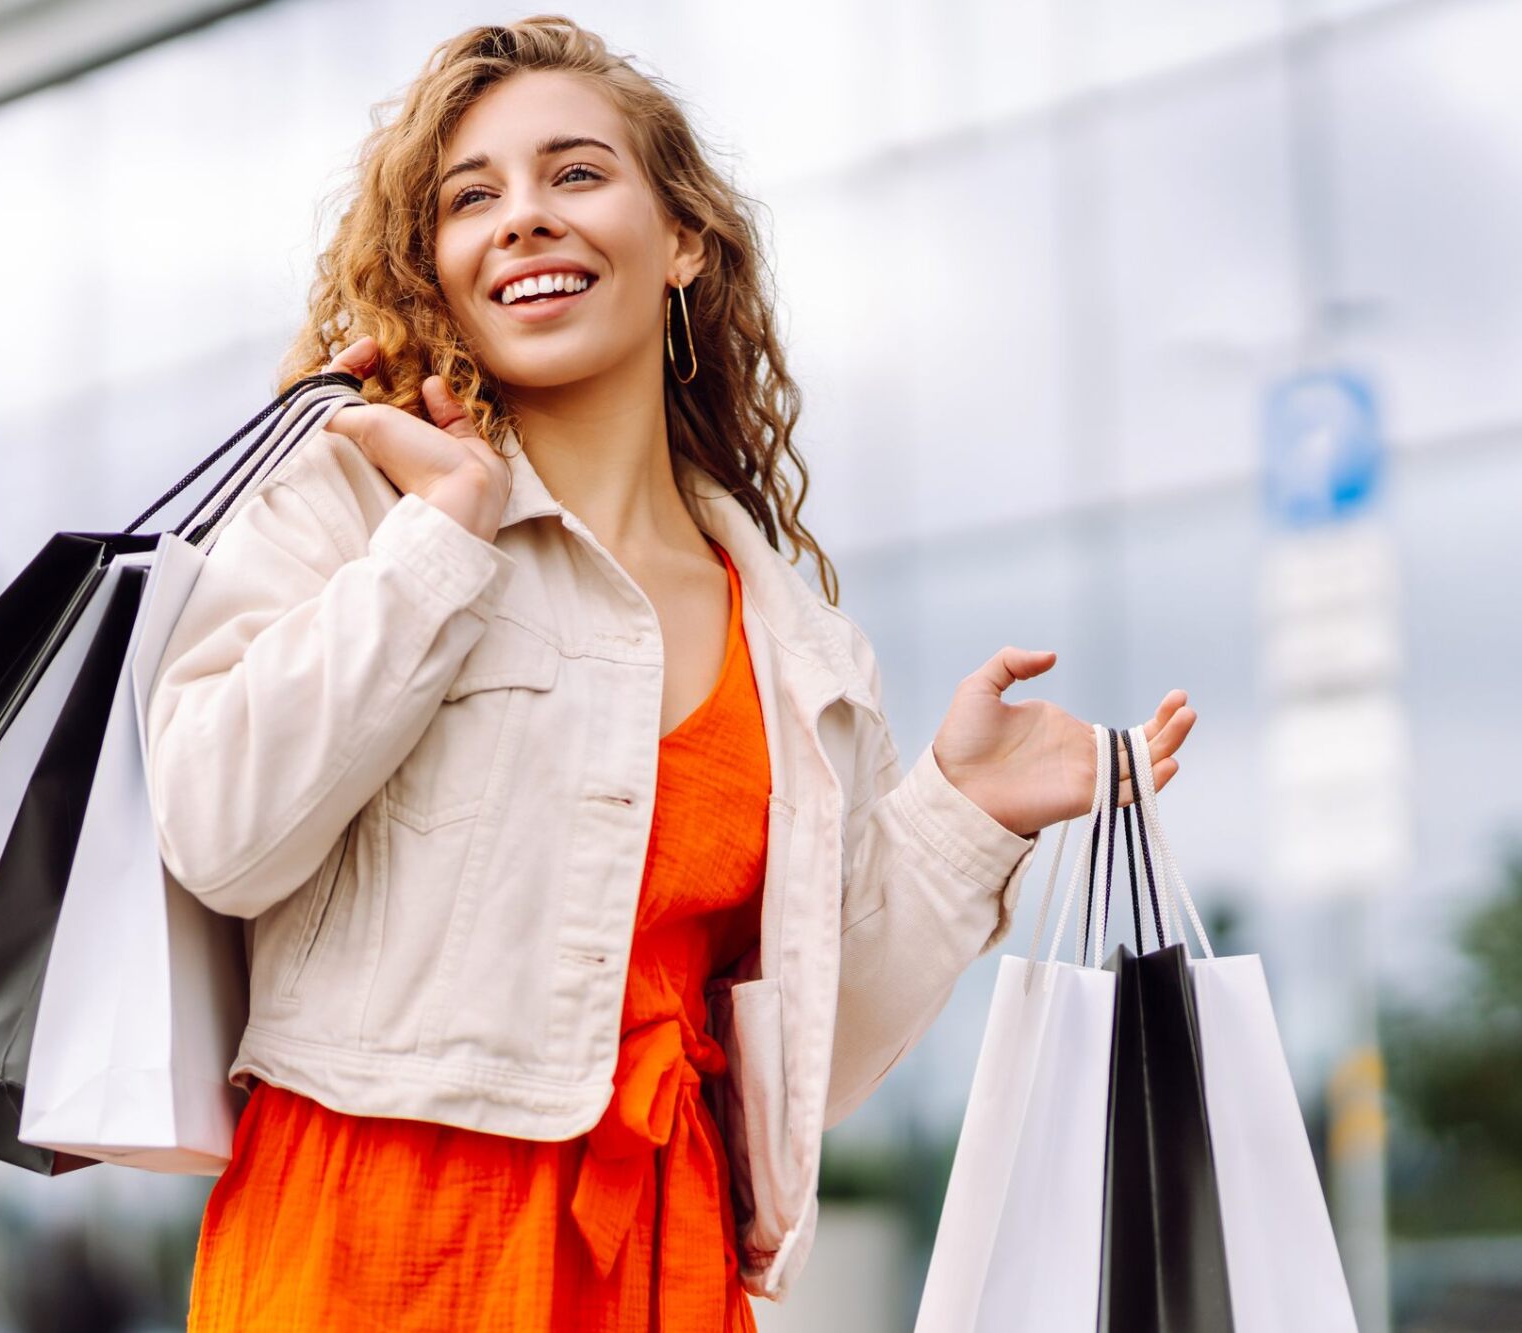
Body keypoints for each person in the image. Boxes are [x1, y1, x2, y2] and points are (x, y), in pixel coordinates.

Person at [145, 16, 1198, 1332]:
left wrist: (964, 810)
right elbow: (219, 832)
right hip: (372, 1251)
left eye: (576, 174)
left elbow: (813, 1057)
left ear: (684, 239)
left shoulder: (799, 645)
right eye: (473, 198)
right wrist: (441, 540)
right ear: (436, 269)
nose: (524, 217)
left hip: (662, 1260)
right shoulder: (355, 506)